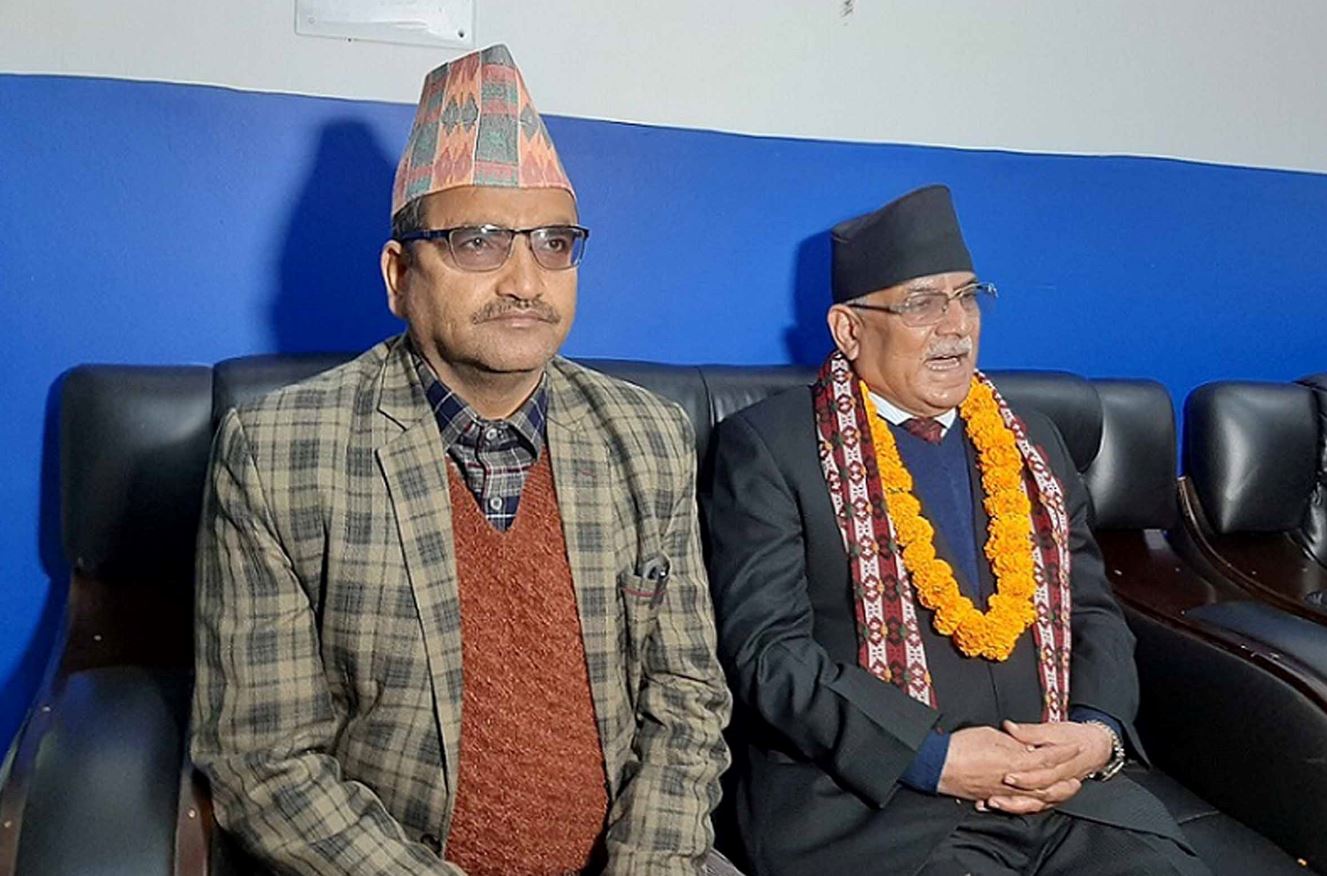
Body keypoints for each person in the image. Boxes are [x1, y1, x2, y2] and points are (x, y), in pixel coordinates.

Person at [192, 44, 731, 876]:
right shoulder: (279, 452)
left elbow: (686, 700)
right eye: (478, 242)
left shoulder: (647, 435)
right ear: (398, 274)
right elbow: (264, 763)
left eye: (554, 243)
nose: (525, 281)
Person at [703, 185, 1208, 875]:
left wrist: (1096, 732)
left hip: (1066, 797)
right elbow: (768, 652)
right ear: (848, 330)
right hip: (876, 808)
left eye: (968, 297)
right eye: (921, 303)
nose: (956, 327)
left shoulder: (1034, 442)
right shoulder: (768, 446)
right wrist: (931, 757)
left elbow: (1091, 610)